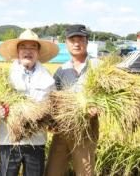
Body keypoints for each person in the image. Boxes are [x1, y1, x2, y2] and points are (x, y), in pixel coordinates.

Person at [0, 29, 59, 176]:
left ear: (38, 52)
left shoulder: (48, 79)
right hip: (9, 140)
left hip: (36, 142)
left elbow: (54, 107)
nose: (28, 51)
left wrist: (51, 122)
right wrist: (1, 112)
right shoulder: (4, 77)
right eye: (24, 47)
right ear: (17, 51)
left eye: (33, 48)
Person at [45, 24, 99, 176]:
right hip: (62, 129)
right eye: (72, 40)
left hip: (86, 130)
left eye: (80, 39)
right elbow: (52, 100)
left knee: (85, 173)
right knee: (52, 171)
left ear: (87, 42)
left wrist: (98, 106)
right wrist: (50, 121)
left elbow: (112, 95)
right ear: (66, 44)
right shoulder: (61, 70)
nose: (76, 43)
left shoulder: (98, 67)